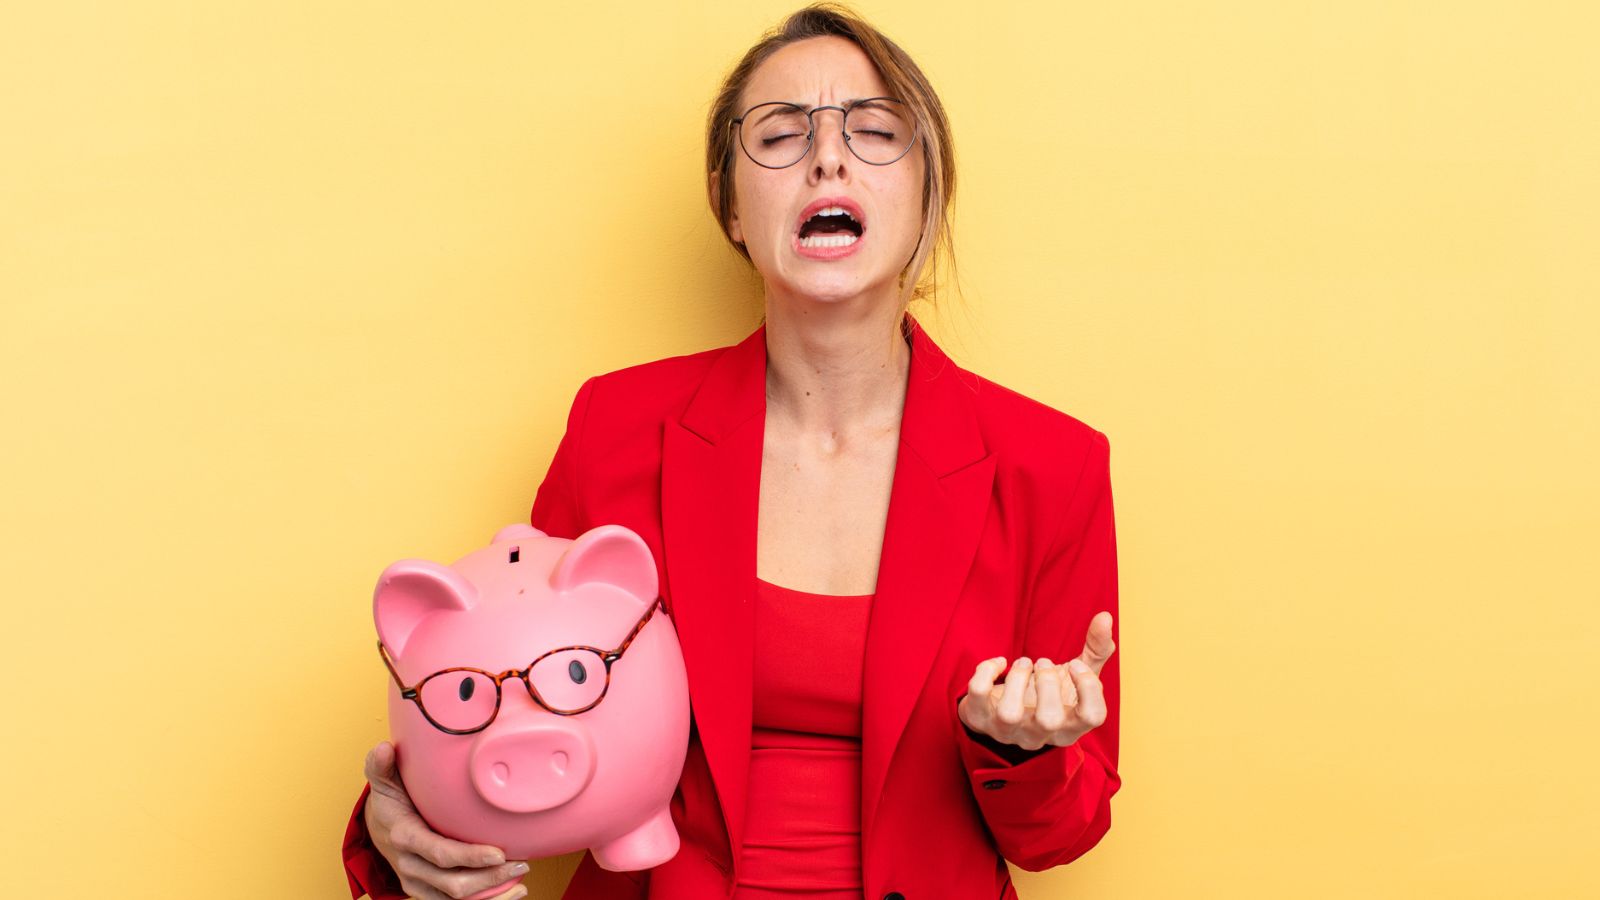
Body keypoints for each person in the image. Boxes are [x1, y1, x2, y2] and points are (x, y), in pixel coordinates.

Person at [341, 4, 1121, 899]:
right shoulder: (616, 428)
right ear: (731, 207)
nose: (828, 157)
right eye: (782, 136)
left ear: (927, 198)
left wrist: (1018, 747)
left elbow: (1064, 835)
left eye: (873, 131)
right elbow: (490, 697)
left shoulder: (1052, 464)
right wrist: (395, 827)